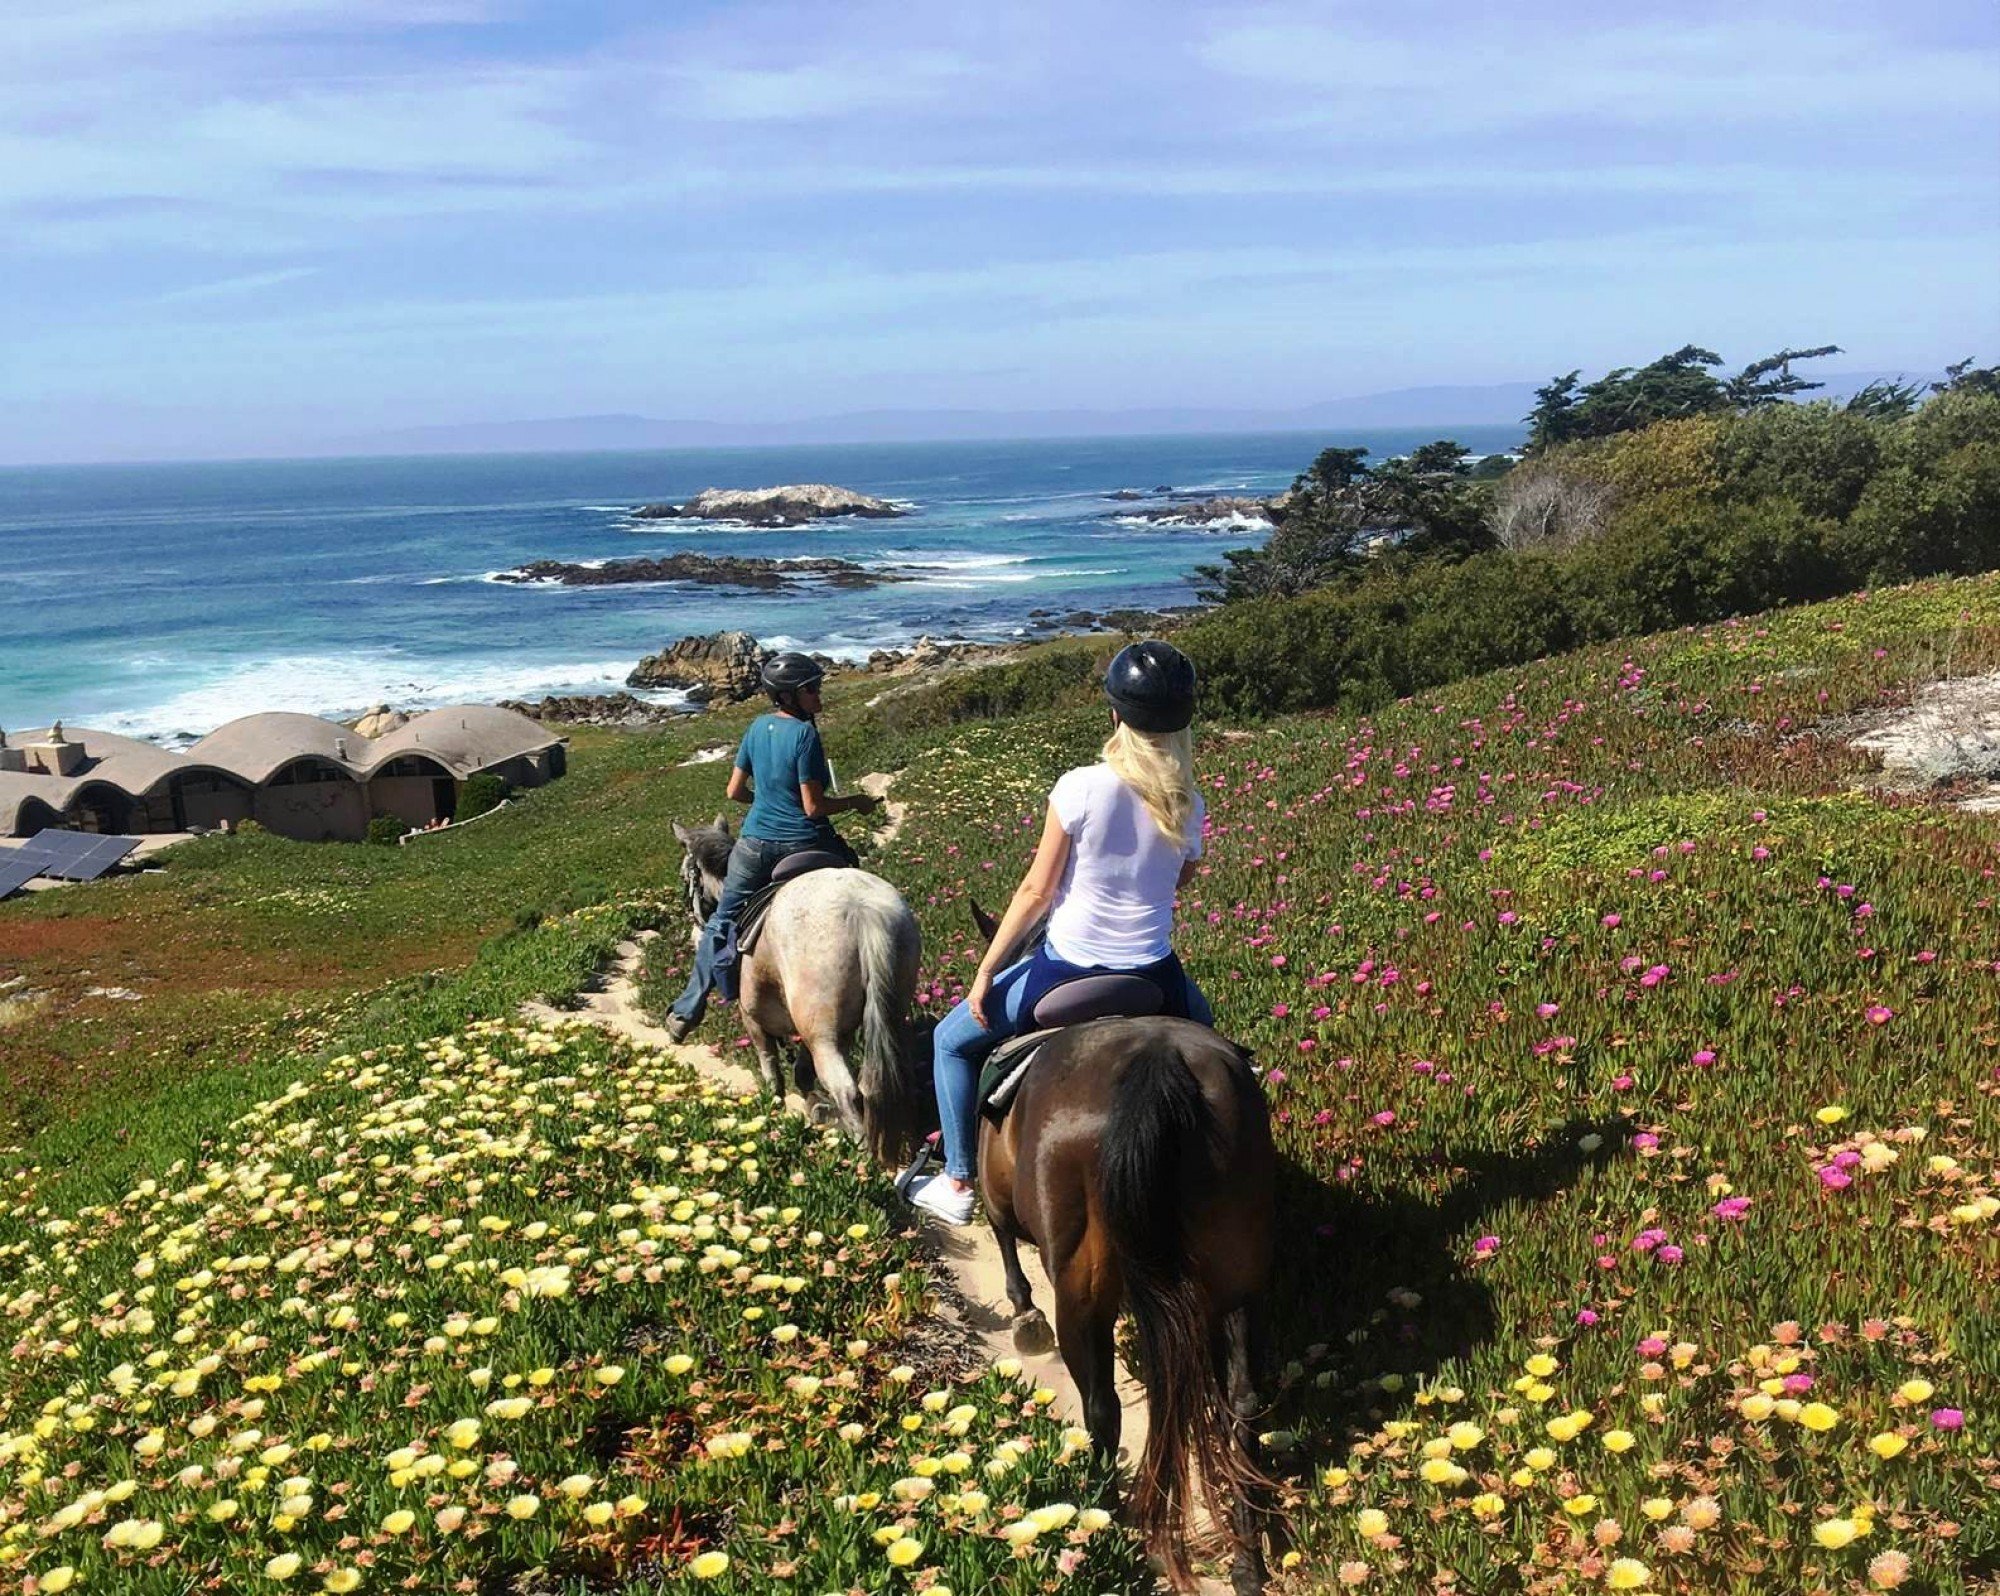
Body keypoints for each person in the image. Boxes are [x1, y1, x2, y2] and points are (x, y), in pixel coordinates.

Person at [907, 639, 1212, 1226]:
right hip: (1154, 974)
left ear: (1115, 714)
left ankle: (958, 1179)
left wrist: (985, 971)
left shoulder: (1079, 786)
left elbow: (1035, 893)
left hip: (1068, 969)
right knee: (1222, 1056)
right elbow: (1182, 880)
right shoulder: (1188, 801)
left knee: (949, 1041)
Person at [663, 652, 881, 1041]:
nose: (818, 694)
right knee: (857, 880)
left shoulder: (756, 726)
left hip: (755, 843)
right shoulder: (805, 735)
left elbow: (733, 792)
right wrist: (856, 803)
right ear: (790, 696)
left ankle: (686, 1010)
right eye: (811, 689)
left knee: (721, 921)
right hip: (805, 840)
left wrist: (766, 802)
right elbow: (813, 807)